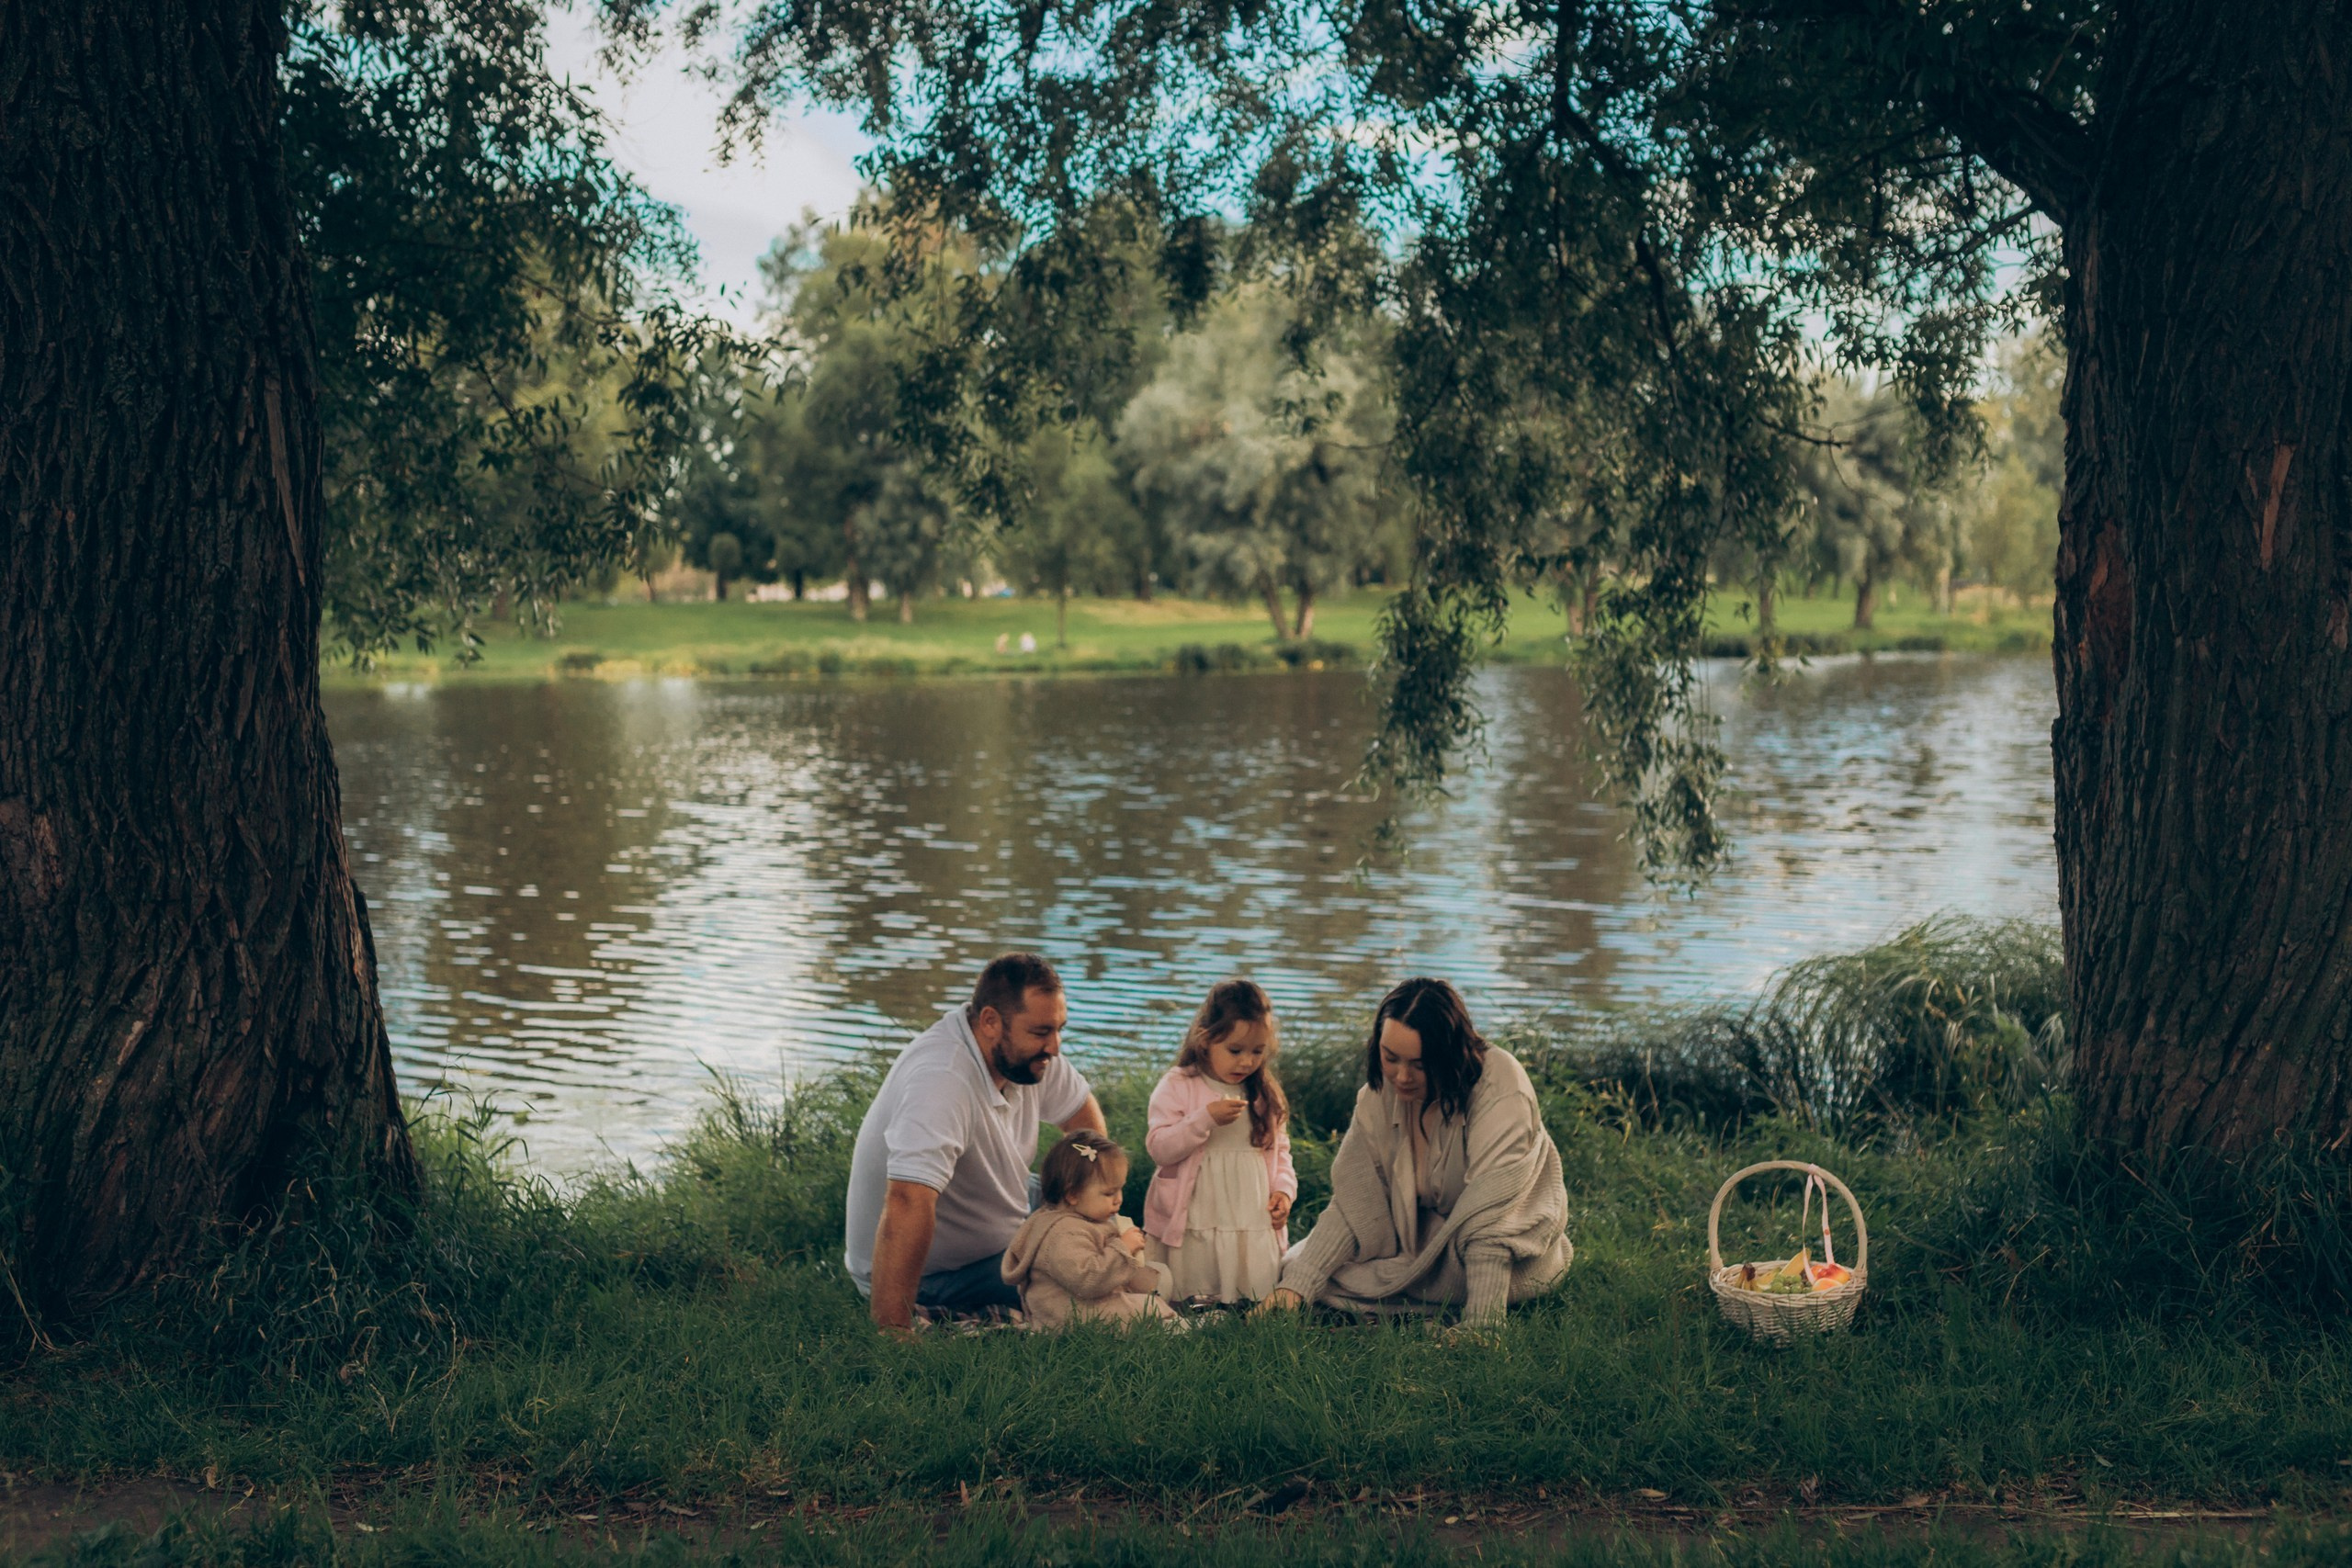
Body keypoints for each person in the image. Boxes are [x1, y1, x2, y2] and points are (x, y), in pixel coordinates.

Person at [1256, 977, 1570, 1326]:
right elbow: (1357, 1200)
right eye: (1391, 1058)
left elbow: (1493, 1215)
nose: (1402, 1077)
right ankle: (1418, 1299)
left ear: (1450, 1056)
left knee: (1470, 1259)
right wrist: (1294, 1291)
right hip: (1421, 1240)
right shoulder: (1380, 1092)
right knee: (1298, 1266)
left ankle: (1448, 1302)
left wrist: (1482, 1324)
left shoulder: (1501, 1085)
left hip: (1496, 1249)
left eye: (1420, 1065)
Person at [843, 953, 1107, 1333]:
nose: (1055, 1046)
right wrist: (894, 1328)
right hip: (933, 1276)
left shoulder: (1028, 1054)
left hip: (1000, 1212)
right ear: (989, 1022)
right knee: (1083, 1275)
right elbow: (907, 1200)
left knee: (1092, 1220)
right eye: (1041, 1032)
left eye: (1058, 1029)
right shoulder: (942, 1080)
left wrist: (1096, 1195)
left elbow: (1082, 1116)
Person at [1141, 978, 1297, 1303]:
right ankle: (1196, 1301)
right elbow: (1160, 1148)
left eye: (1258, 1051)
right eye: (1235, 1050)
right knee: (1198, 1264)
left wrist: (1284, 1189)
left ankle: (1243, 1301)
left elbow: (1280, 1150)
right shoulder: (1180, 1084)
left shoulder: (1263, 1093)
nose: (1247, 1062)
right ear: (1206, 1039)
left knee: (1251, 1287)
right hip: (1199, 1208)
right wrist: (1204, 1118)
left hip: (1248, 1208)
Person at [1001, 1131, 1181, 1330]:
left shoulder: (1084, 1219)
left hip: (1087, 1304)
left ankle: (1163, 1317)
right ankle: (1175, 1328)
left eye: (1120, 1189)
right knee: (1147, 1309)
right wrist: (1122, 1248)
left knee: (1159, 1276)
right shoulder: (1064, 1234)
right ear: (1073, 1195)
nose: (1118, 1199)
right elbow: (1088, 1280)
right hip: (1069, 1317)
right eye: (1109, 1193)